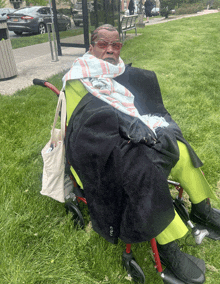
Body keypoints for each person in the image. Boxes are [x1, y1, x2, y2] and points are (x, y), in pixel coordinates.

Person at [63, 24, 220, 284]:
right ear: (91, 47)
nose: (110, 50)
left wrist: (148, 128)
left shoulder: (121, 73)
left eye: (116, 45)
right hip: (102, 153)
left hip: (134, 136)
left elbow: (138, 109)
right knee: (144, 171)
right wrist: (127, 137)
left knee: (178, 148)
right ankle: (169, 248)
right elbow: (83, 131)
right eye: (103, 44)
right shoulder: (77, 79)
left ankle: (202, 210)